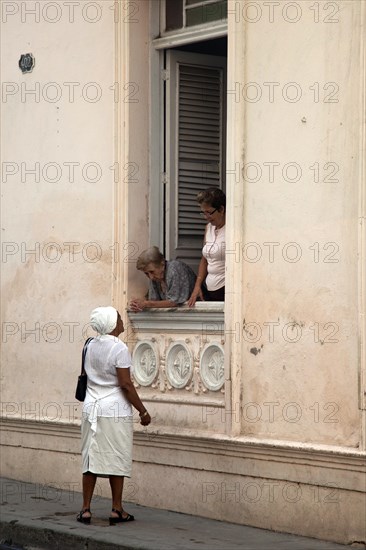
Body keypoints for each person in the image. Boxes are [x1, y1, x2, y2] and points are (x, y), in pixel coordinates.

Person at [77, 306, 151, 526]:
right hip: (114, 411)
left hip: (91, 408)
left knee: (90, 457)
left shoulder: (89, 345)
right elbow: (125, 384)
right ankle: (117, 509)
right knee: (116, 457)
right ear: (111, 323)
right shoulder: (119, 348)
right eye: (118, 318)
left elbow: (87, 376)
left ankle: (85, 509)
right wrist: (143, 411)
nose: (121, 321)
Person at [188, 187, 226, 306]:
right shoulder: (208, 228)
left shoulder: (232, 229)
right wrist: (197, 286)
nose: (206, 217)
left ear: (221, 209)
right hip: (210, 289)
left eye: (209, 212)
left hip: (225, 289)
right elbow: (204, 260)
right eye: (203, 213)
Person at [129, 246, 197, 312]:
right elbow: (154, 301)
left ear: (162, 264)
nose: (151, 277)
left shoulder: (174, 269)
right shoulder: (156, 277)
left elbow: (174, 302)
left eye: (152, 272)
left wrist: (146, 304)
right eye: (146, 273)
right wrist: (138, 304)